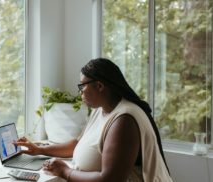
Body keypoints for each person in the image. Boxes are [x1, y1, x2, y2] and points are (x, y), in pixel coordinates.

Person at [15, 58, 173, 182]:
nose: (80, 92)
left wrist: (65, 171)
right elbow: (77, 145)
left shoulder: (124, 120)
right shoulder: (100, 109)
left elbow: (110, 180)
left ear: (99, 86)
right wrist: (39, 149)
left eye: (82, 86)